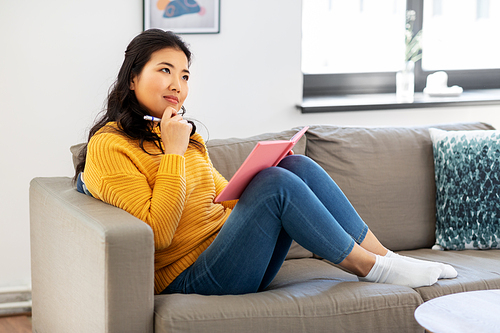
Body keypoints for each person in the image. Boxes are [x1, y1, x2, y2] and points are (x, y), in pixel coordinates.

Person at [75, 29, 457, 295]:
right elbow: (156, 237)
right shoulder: (110, 147)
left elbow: (216, 198)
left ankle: (385, 256)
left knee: (294, 169)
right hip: (191, 275)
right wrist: (174, 154)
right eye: (165, 70)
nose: (177, 84)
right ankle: (373, 270)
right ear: (131, 79)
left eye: (185, 75)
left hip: (232, 251)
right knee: (276, 184)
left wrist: (257, 173)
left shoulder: (173, 131)